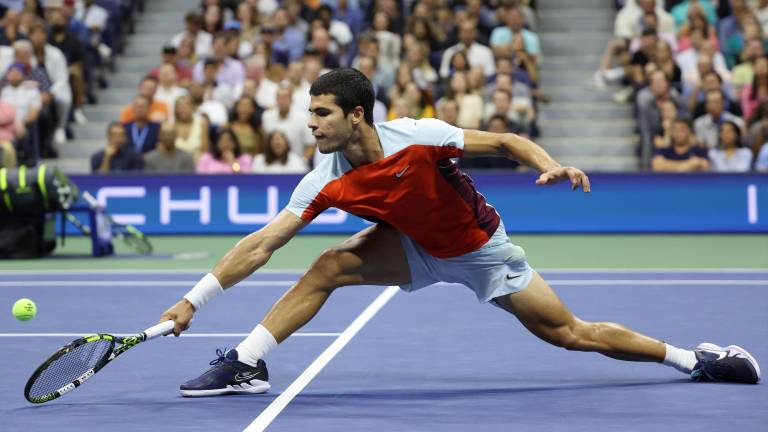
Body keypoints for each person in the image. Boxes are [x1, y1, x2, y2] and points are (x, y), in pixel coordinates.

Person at [159, 68, 761, 397]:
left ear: (356, 116)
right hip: (410, 247)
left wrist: (546, 164)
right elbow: (263, 243)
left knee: (571, 334)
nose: (310, 124)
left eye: (321, 114)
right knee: (328, 266)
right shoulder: (325, 180)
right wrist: (194, 299)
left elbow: (501, 141)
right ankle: (248, 361)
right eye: (309, 113)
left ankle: (693, 359)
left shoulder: (417, 135)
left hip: (479, 251)